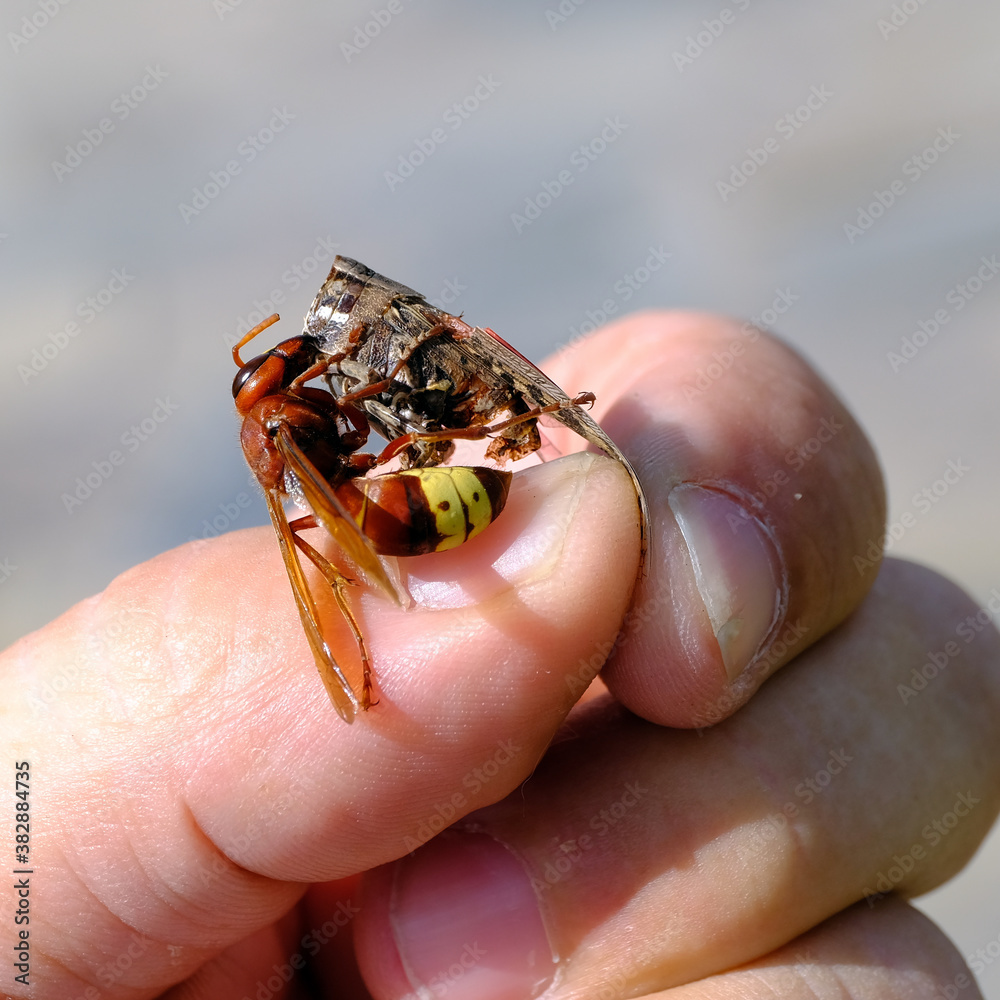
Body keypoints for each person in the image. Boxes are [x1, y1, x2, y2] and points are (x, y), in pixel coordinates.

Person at [4, 312, 996, 999]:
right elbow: (360, 439)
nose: (288, 365)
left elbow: (362, 440)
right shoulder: (306, 429)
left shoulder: (304, 437)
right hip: (427, 518)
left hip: (416, 517)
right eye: (277, 372)